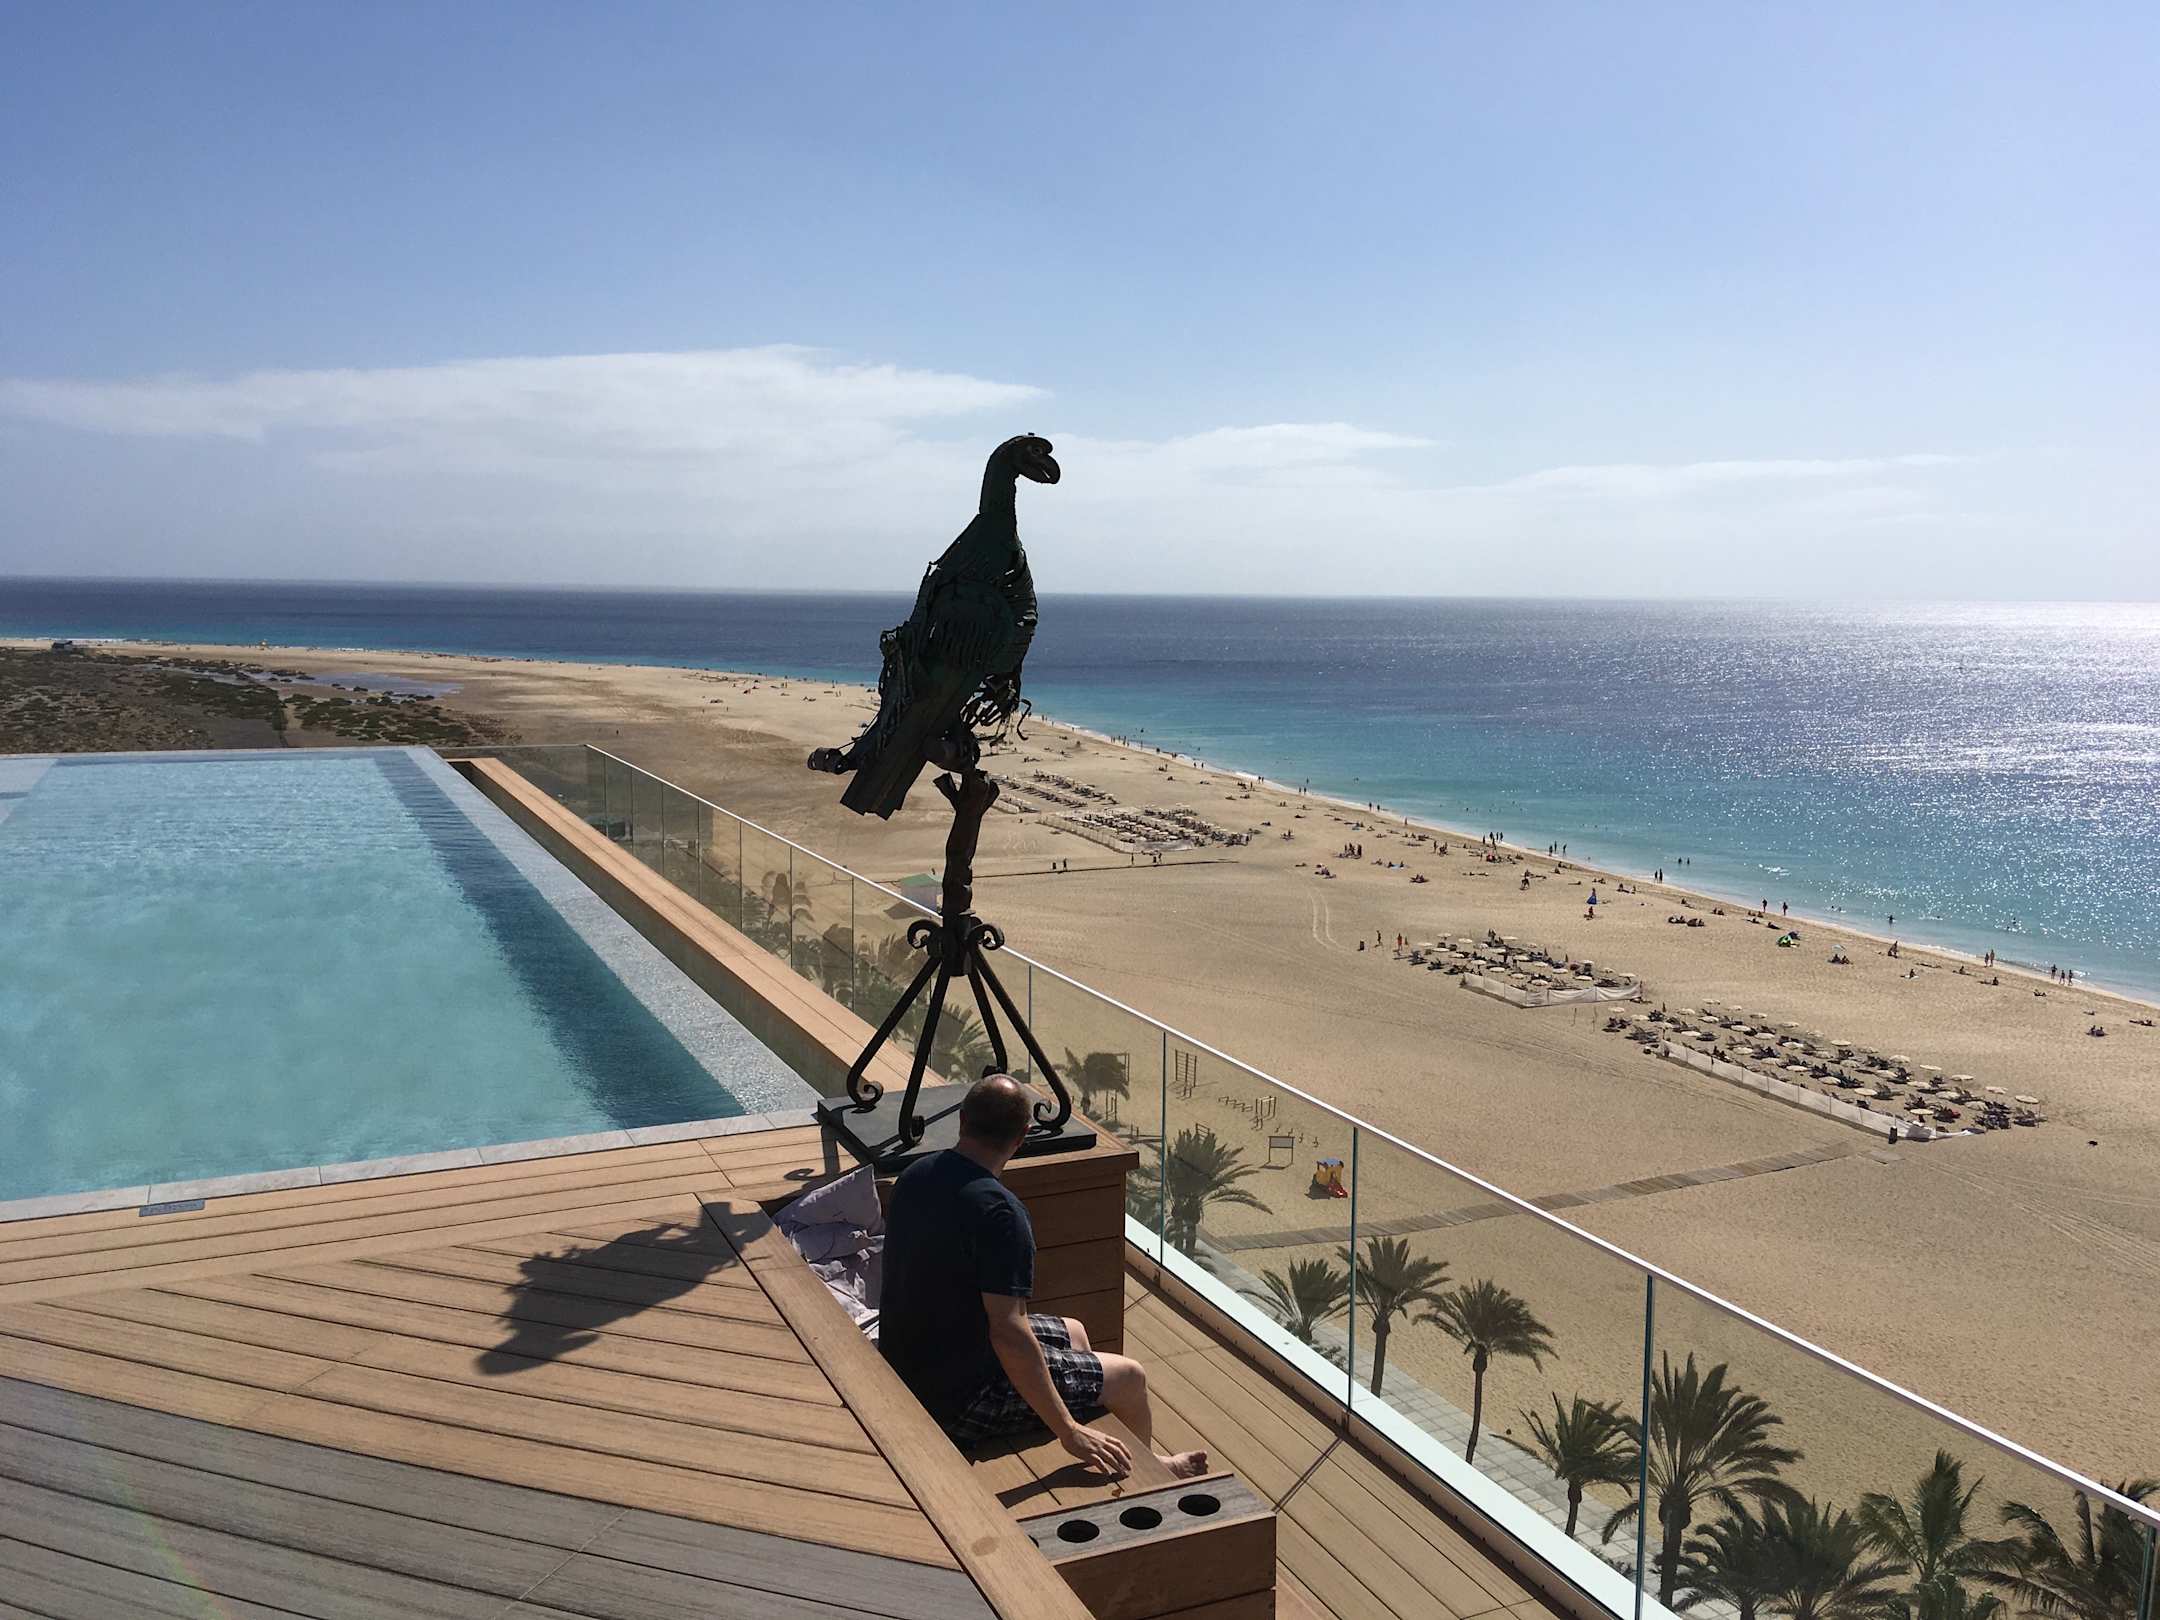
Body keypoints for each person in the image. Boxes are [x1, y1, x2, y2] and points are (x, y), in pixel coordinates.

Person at [880, 1076, 1208, 1478]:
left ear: (962, 1120)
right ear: (1022, 1137)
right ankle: (1150, 1471)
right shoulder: (1001, 1214)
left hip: (910, 1359)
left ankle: (1099, 1428)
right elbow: (1008, 1332)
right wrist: (1067, 1430)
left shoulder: (916, 1175)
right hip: (955, 1400)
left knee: (1075, 1332)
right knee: (1130, 1378)